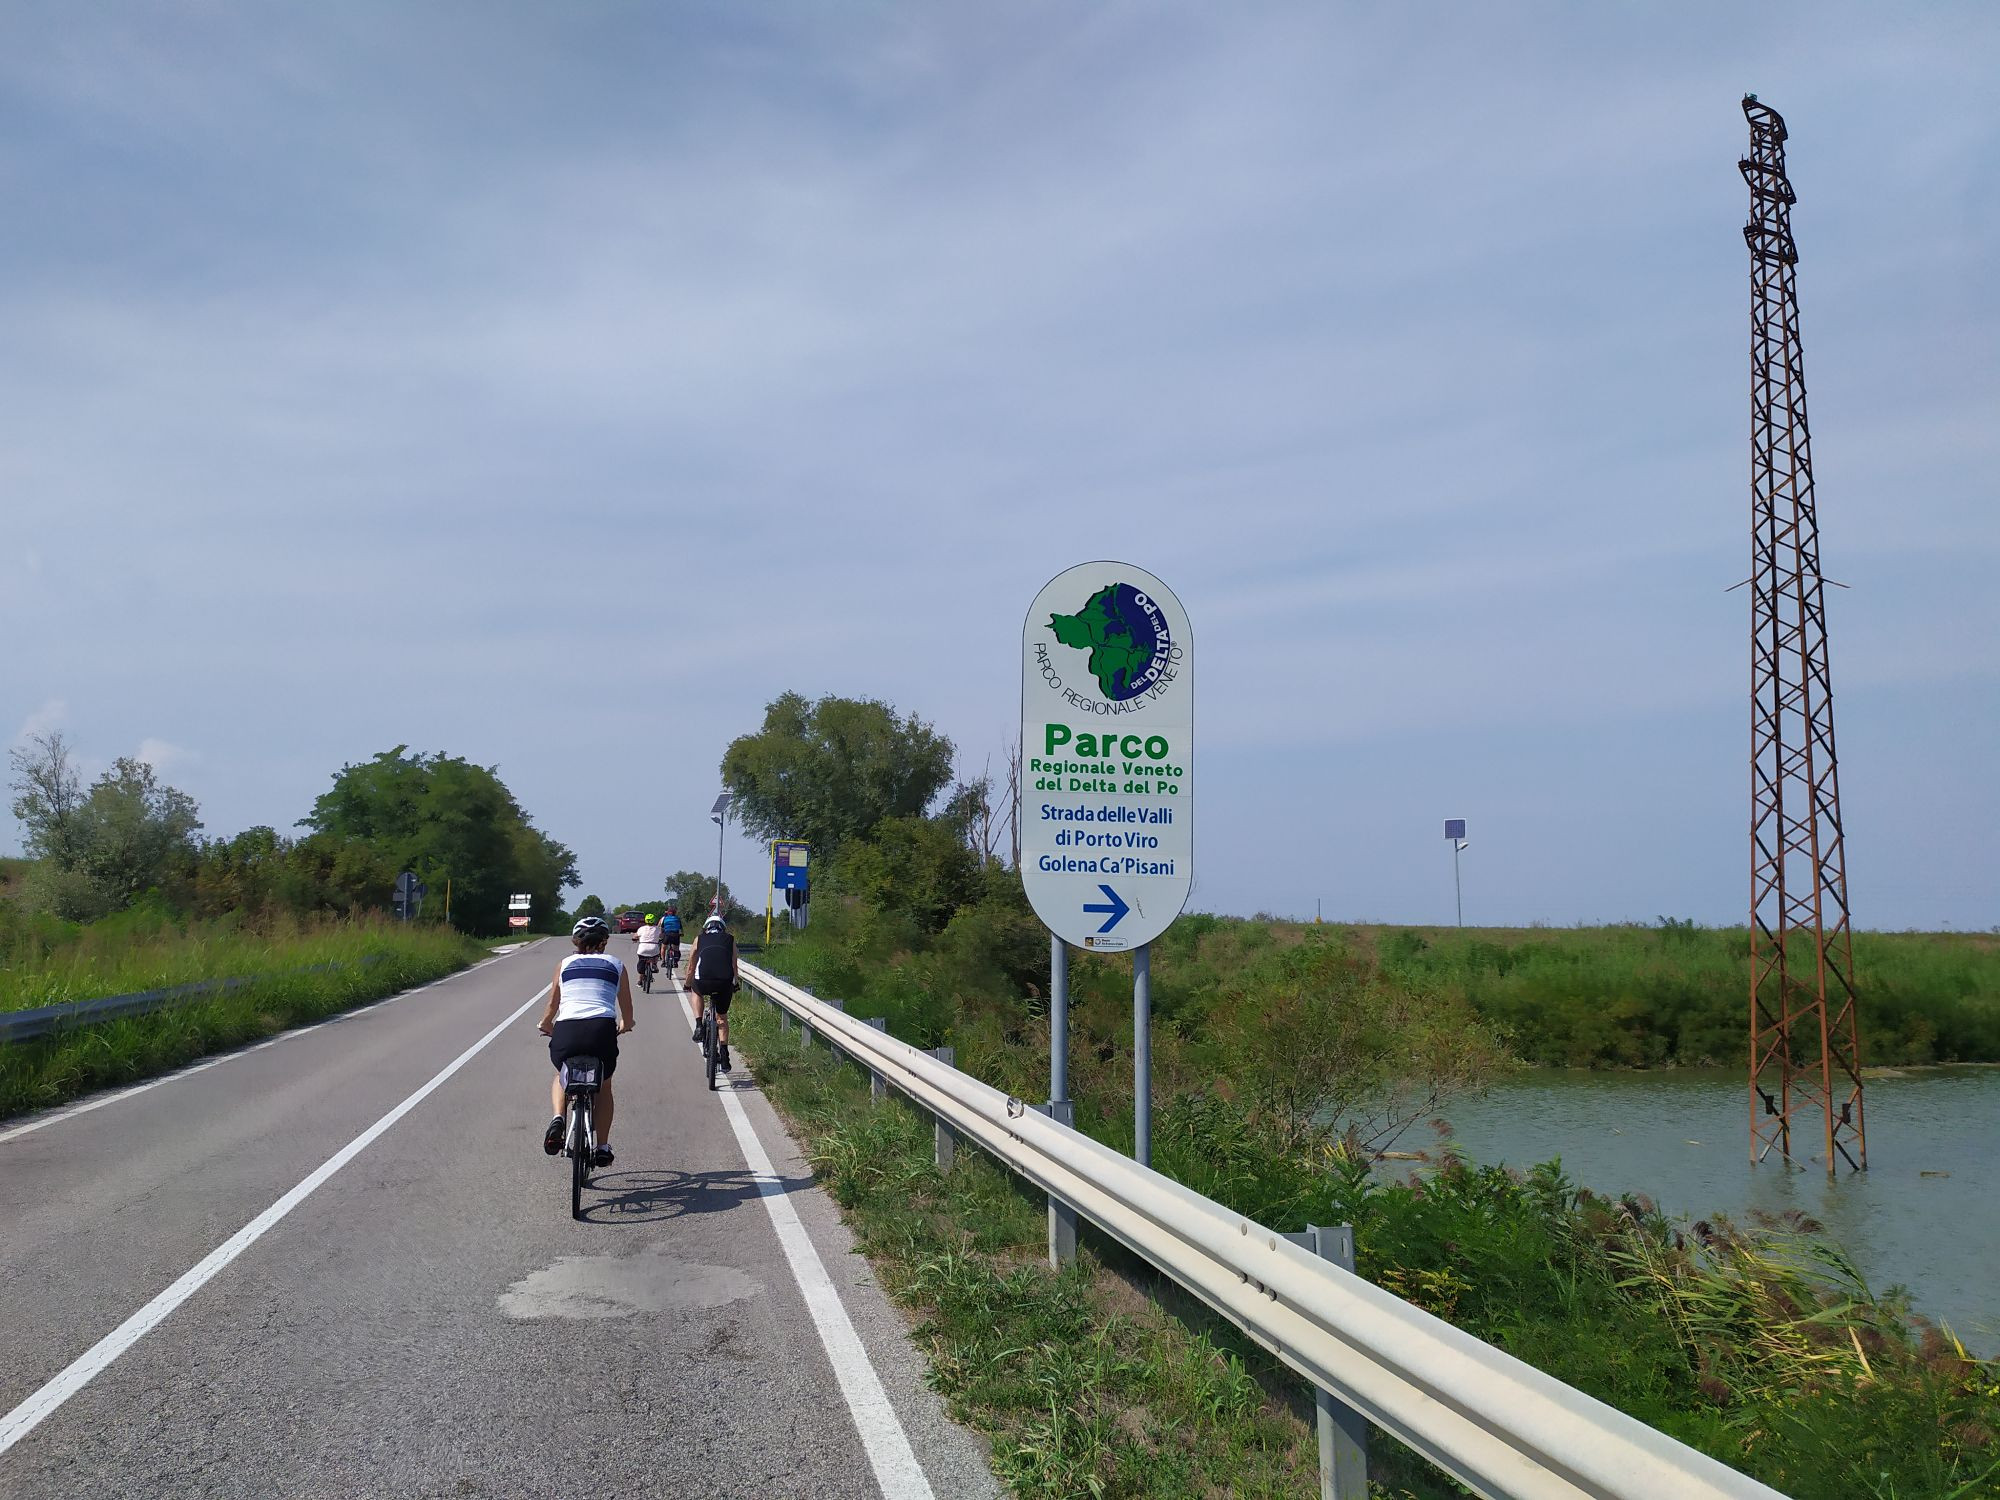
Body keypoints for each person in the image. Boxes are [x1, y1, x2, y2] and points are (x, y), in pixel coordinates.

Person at [537, 915, 635, 1165]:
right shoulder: (616, 964)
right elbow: (627, 1009)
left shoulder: (564, 964)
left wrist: (545, 1024)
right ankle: (602, 1147)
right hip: (601, 1029)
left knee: (561, 1074)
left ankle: (558, 1118)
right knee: (605, 1085)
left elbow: (553, 1004)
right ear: (605, 941)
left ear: (576, 941)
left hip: (567, 1029)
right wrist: (626, 1025)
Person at [683, 912, 740, 1070]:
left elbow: (691, 965)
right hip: (724, 982)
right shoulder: (730, 939)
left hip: (704, 981)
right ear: (723, 928)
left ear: (706, 928)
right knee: (722, 1017)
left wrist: (688, 983)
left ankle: (699, 1025)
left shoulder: (699, 939)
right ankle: (725, 1055)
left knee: (696, 991)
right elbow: (734, 964)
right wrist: (735, 982)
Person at [632, 911, 665, 985]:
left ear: (645, 920)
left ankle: (640, 981)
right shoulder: (658, 929)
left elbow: (635, 936)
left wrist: (634, 939)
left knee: (642, 962)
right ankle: (654, 964)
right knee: (656, 955)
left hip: (643, 949)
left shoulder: (641, 929)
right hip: (654, 948)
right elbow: (661, 936)